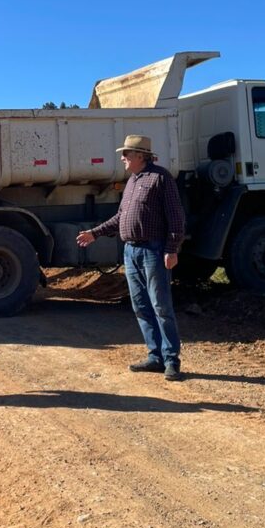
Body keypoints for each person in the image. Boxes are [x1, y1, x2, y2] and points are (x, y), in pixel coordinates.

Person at [76, 134, 186, 380]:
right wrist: (95, 233)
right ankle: (155, 356)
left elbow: (176, 217)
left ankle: (171, 360)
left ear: (140, 156)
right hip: (131, 251)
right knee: (140, 306)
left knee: (161, 306)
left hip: (154, 251)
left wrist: (172, 248)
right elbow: (120, 218)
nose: (122, 158)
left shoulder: (161, 178)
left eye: (126, 154)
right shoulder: (132, 182)